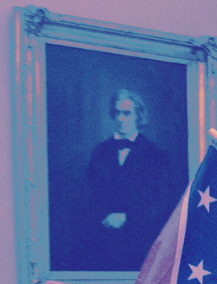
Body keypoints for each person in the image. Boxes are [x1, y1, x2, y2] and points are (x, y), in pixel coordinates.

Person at [76, 90, 177, 271]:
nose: (121, 118)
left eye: (127, 113)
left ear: (138, 116)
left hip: (138, 245)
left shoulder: (155, 155)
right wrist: (103, 219)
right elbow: (87, 196)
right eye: (117, 113)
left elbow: (163, 202)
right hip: (101, 243)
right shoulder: (100, 152)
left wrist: (128, 218)